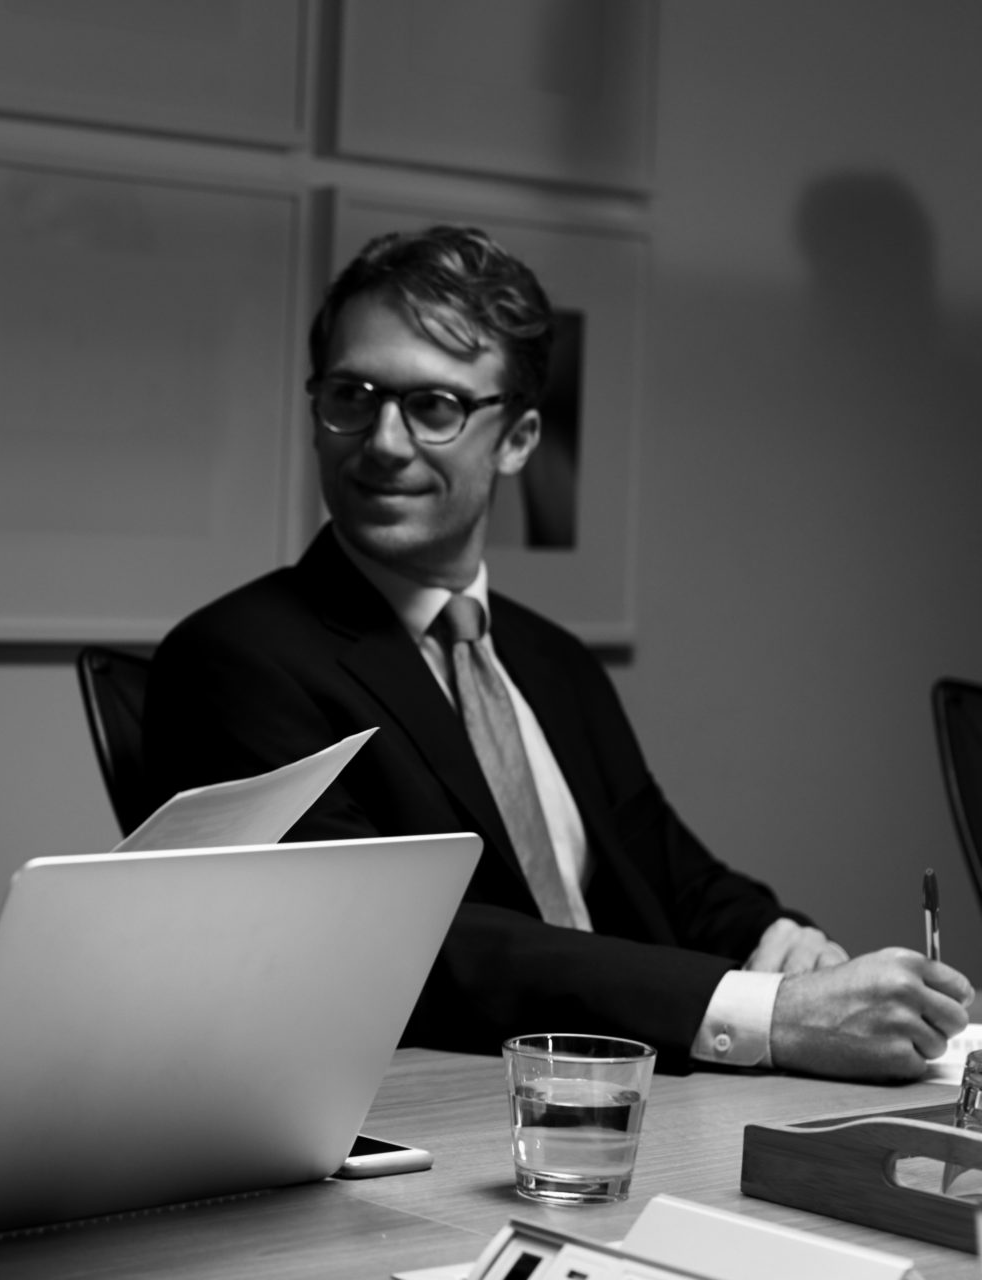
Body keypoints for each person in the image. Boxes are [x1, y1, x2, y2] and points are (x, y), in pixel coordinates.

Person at [143, 224, 970, 1080]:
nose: (383, 441)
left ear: (519, 439)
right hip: (441, 1129)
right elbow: (395, 948)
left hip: (631, 1104)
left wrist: (782, 947)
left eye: (435, 407)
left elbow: (676, 876)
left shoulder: (550, 661)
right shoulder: (230, 661)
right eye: (352, 396)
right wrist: (767, 1014)